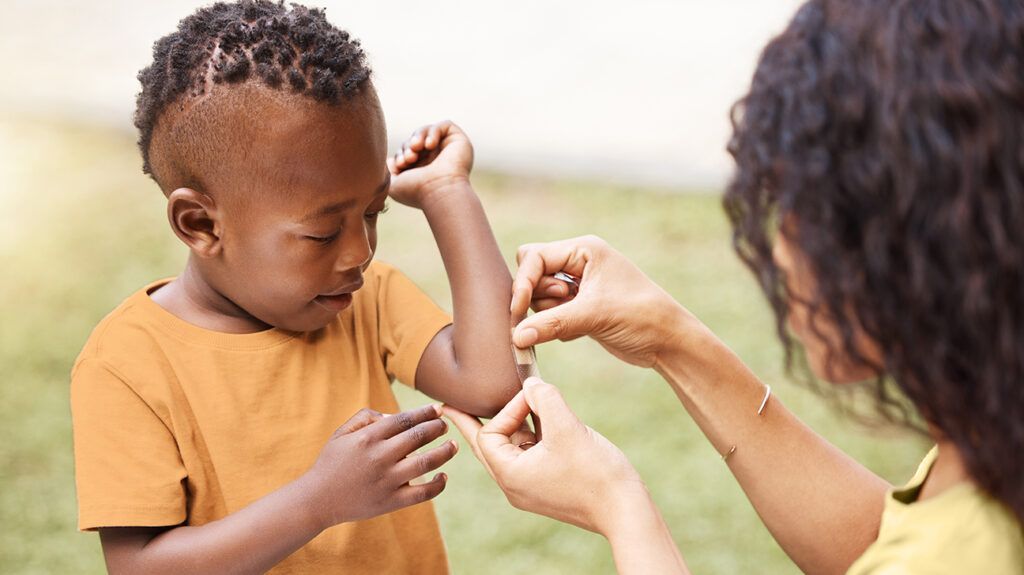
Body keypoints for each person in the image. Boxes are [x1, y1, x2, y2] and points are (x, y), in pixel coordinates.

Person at [445, 0, 1024, 573]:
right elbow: (882, 542)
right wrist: (669, 339)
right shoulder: (986, 462)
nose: (780, 248)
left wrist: (617, 503)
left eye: (799, 210)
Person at [69, 1, 521, 573]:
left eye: (375, 212)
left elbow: (490, 383)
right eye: (323, 233)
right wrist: (318, 502)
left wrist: (446, 192)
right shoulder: (127, 365)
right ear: (202, 225)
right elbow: (138, 568)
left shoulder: (365, 300)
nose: (360, 252)